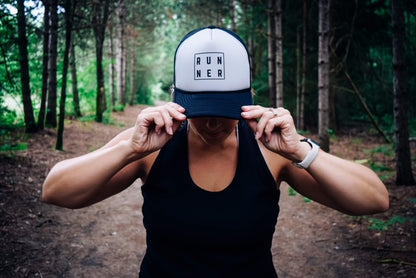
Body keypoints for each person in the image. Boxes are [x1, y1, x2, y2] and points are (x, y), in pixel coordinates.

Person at [42, 26, 389, 277]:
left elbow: (374, 199)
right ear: (178, 97)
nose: (211, 124)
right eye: (200, 110)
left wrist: (301, 151)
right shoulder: (150, 146)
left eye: (223, 110)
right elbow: (55, 191)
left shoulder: (272, 150)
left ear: (247, 98)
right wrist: (127, 151)